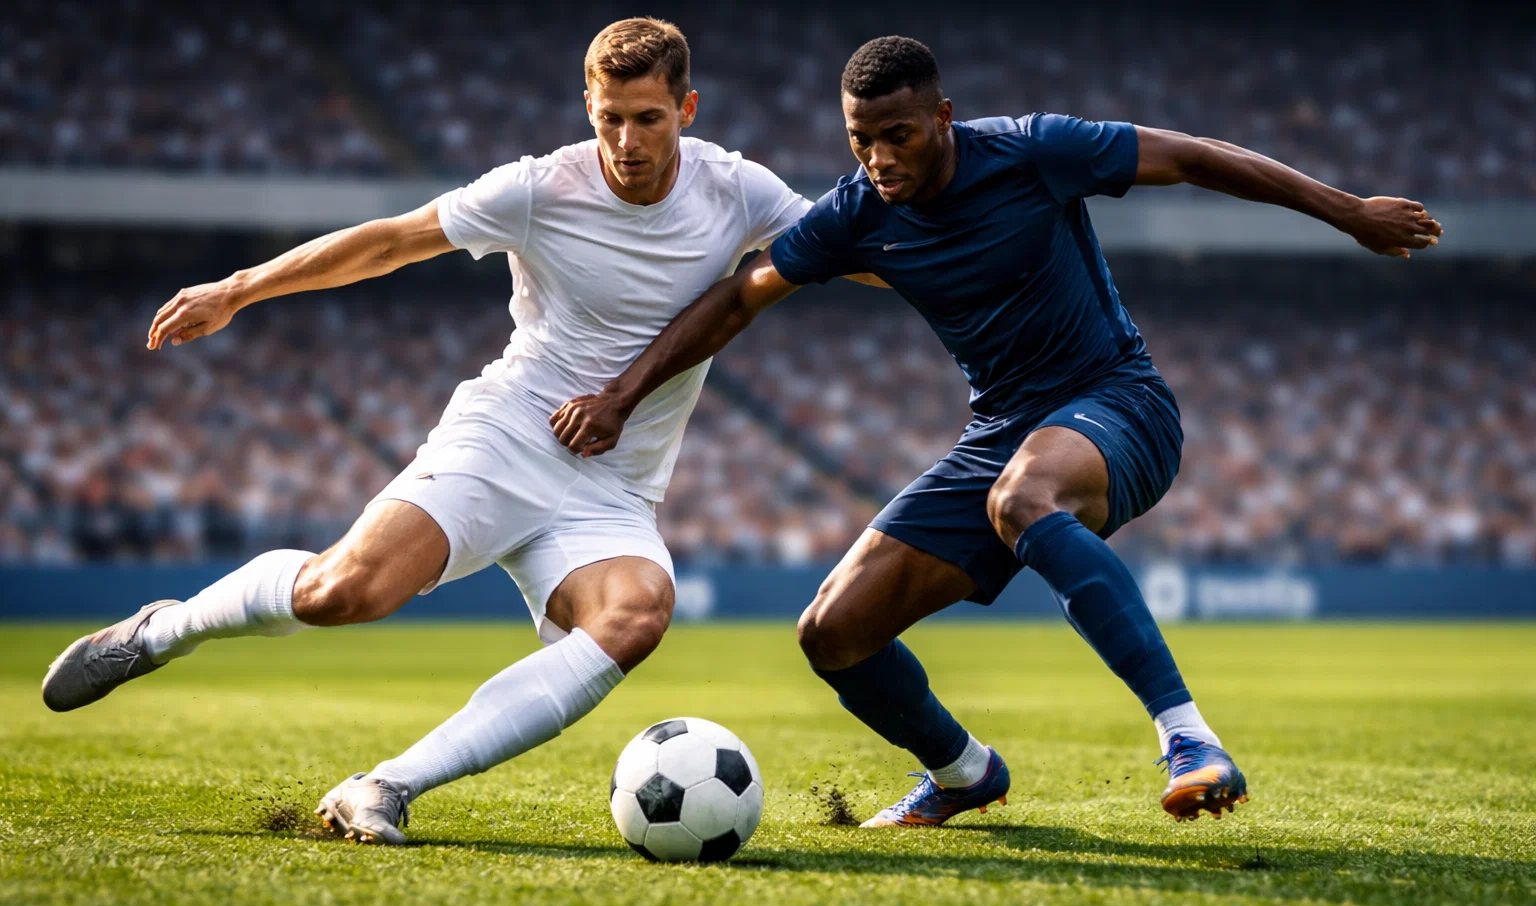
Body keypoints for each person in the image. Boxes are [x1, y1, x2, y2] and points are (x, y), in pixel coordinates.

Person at [549, 35, 1443, 827]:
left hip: (1117, 401)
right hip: (1000, 433)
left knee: (1025, 493)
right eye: (860, 139)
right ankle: (963, 774)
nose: (878, 158)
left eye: (897, 134)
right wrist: (623, 394)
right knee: (833, 631)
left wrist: (1348, 212)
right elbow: (740, 297)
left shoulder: (1033, 150)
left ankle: (1189, 739)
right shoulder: (858, 212)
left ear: (942, 117)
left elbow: (1196, 157)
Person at [40, 18, 826, 845]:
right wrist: (239, 288)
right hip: (510, 433)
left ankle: (385, 785)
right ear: (587, 108)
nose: (626, 141)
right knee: (342, 593)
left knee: (635, 616)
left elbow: (847, 247)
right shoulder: (538, 188)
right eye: (609, 119)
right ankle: (162, 630)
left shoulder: (739, 191)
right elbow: (390, 243)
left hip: (617, 484)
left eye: (648, 119)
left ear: (688, 108)